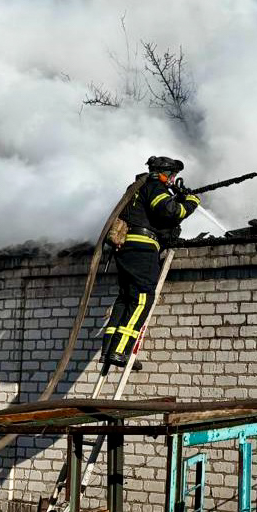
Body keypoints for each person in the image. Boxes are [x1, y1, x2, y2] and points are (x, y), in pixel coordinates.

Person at [102, 156, 201, 368]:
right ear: (164, 173)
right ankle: (119, 351)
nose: (173, 180)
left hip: (125, 249)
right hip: (142, 249)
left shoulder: (136, 188)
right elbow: (170, 213)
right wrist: (191, 201)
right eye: (172, 175)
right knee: (142, 298)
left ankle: (108, 349)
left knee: (125, 298)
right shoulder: (155, 186)